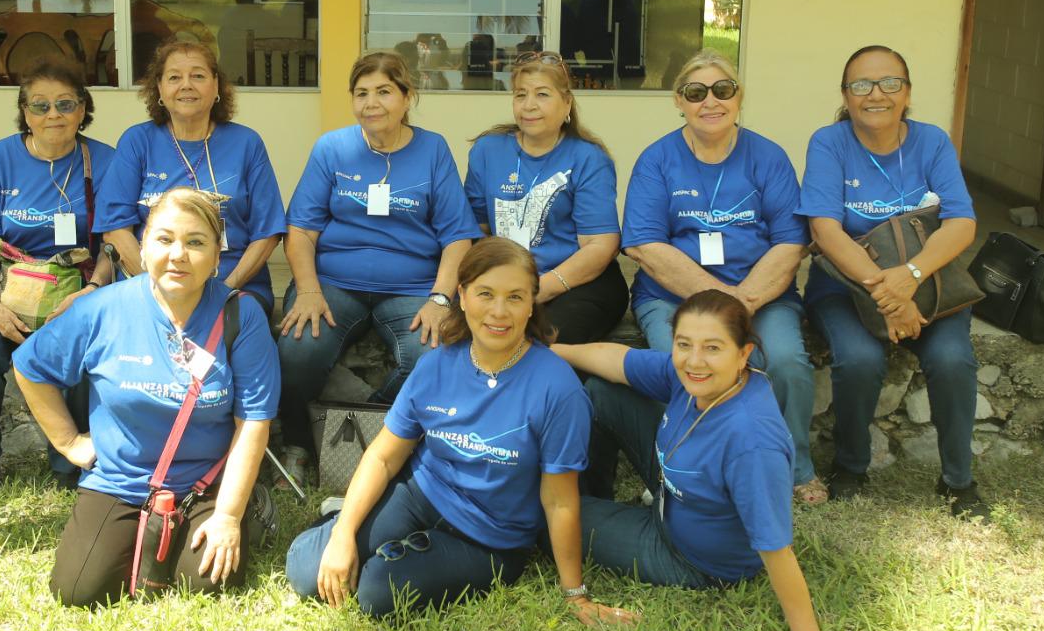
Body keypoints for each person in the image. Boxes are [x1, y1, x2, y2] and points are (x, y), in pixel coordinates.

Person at [287, 238, 638, 625]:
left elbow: (560, 502)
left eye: (515, 297)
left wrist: (576, 595)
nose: (499, 312)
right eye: (485, 294)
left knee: (376, 593)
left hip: (488, 537)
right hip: (420, 495)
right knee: (306, 571)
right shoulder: (437, 364)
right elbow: (385, 457)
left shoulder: (558, 388)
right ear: (463, 295)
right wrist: (344, 535)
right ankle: (340, 522)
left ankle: (398, 550)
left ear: (532, 302)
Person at [554, 290, 847, 631]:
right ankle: (597, 495)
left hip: (688, 554)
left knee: (553, 516)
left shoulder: (751, 442)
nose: (694, 361)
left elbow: (776, 549)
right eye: (683, 345)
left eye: (713, 348)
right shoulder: (690, 376)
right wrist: (550, 350)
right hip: (676, 484)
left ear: (744, 354)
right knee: (604, 391)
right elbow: (616, 360)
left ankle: (593, 508)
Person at [12, 189, 280, 607]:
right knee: (78, 590)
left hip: (203, 484)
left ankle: (250, 508)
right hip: (120, 479)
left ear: (216, 257)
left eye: (195, 242)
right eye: (164, 239)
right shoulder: (102, 309)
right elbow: (30, 365)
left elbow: (254, 422)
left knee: (208, 585)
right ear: (142, 246)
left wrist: (227, 516)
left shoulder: (242, 316)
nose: (178, 255)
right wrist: (67, 442)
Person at [622, 50, 822, 503]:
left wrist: (743, 301)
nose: (710, 101)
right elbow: (645, 247)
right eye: (696, 92)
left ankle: (794, 467)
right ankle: (694, 465)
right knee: (681, 366)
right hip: (675, 297)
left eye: (722, 89)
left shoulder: (768, 157)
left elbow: (792, 242)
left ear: (739, 96)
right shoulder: (657, 160)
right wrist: (720, 301)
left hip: (762, 295)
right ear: (679, 101)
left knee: (787, 362)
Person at [799, 45, 987, 519]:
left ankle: (958, 481)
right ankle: (851, 465)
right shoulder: (829, 142)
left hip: (929, 285)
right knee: (859, 359)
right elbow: (824, 230)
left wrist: (911, 275)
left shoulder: (932, 142)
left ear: (907, 92)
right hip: (844, 285)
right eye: (861, 85)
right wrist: (888, 294)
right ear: (846, 94)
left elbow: (961, 223)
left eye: (890, 83)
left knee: (952, 359)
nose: (876, 94)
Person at [276, 51, 479, 484]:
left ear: (407, 97)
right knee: (297, 349)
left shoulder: (432, 149)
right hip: (333, 283)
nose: (372, 103)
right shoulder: (333, 148)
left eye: (384, 92)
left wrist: (442, 298)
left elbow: (458, 236)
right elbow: (301, 231)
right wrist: (308, 289)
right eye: (361, 93)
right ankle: (298, 442)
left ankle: (377, 429)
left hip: (414, 286)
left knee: (437, 352)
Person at [0, 58, 117, 495]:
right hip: (8, 287)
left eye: (65, 104)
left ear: (83, 109)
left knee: (84, 355)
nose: (53, 115)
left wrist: (92, 290)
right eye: (40, 105)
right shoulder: (1, 156)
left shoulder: (103, 161)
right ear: (24, 112)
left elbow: (113, 242)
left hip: (77, 287)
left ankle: (72, 461)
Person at [98, 39, 286, 317]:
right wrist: (158, 289)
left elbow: (267, 233)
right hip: (150, 285)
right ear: (160, 89)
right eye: (174, 77)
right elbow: (115, 227)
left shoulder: (247, 143)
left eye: (198, 75)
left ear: (216, 87)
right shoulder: (138, 141)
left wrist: (223, 291)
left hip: (233, 285)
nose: (186, 85)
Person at [465, 50, 627, 345]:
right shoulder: (487, 151)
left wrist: (535, 291)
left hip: (577, 282)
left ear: (566, 103)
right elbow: (476, 231)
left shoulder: (588, 158)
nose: (529, 105)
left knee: (540, 343)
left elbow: (600, 246)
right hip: (506, 278)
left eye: (542, 94)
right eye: (520, 95)